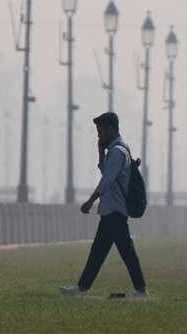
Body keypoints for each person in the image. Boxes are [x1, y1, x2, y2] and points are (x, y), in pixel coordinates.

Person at [59, 112, 148, 297]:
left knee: (126, 252)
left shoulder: (118, 152)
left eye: (100, 131)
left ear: (111, 129)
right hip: (110, 211)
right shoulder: (115, 151)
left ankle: (141, 290)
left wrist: (90, 201)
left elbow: (107, 180)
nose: (99, 136)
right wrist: (100, 153)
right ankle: (82, 288)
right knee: (98, 253)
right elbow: (106, 172)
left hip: (116, 211)